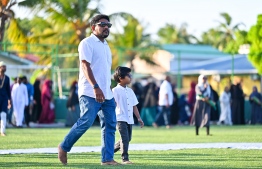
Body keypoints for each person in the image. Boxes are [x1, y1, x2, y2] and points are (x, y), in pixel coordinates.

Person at [58, 14, 119, 166]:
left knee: (110, 124)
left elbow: (104, 71)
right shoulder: (87, 43)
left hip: (107, 94)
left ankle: (107, 159)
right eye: (102, 24)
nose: (106, 27)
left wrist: (109, 89)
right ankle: (64, 146)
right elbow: (85, 66)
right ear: (93, 27)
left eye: (108, 25)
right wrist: (96, 87)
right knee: (86, 121)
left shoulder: (106, 46)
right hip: (90, 92)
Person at [112, 66, 144, 164]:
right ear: (121, 78)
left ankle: (109, 151)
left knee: (127, 139)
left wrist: (139, 118)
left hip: (129, 119)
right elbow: (112, 105)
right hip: (120, 118)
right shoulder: (115, 91)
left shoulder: (130, 91)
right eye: (128, 75)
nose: (130, 77)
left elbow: (134, 106)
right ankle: (125, 159)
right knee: (125, 139)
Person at [0, 61, 11, 136]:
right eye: (3, 66)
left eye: (5, 66)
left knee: (3, 114)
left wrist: (9, 100)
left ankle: (2, 131)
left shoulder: (7, 78)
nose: (4, 68)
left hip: (4, 98)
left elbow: (8, 90)